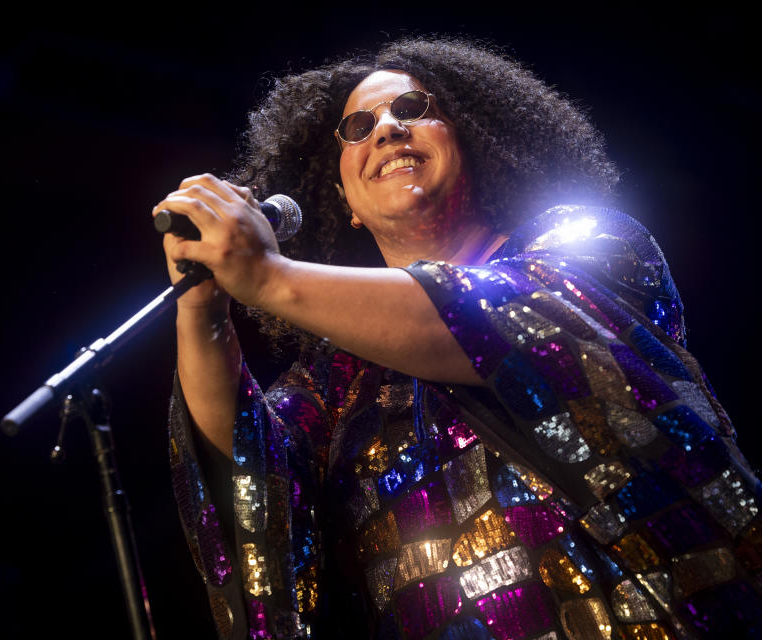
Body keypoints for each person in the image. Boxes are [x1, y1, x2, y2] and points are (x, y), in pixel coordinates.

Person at [157, 37, 761, 639]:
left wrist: (267, 276)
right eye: (360, 126)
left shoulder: (593, 245)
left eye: (413, 108)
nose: (388, 129)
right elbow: (246, 476)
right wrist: (201, 308)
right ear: (347, 205)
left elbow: (500, 324)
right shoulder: (335, 382)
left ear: (471, 142)